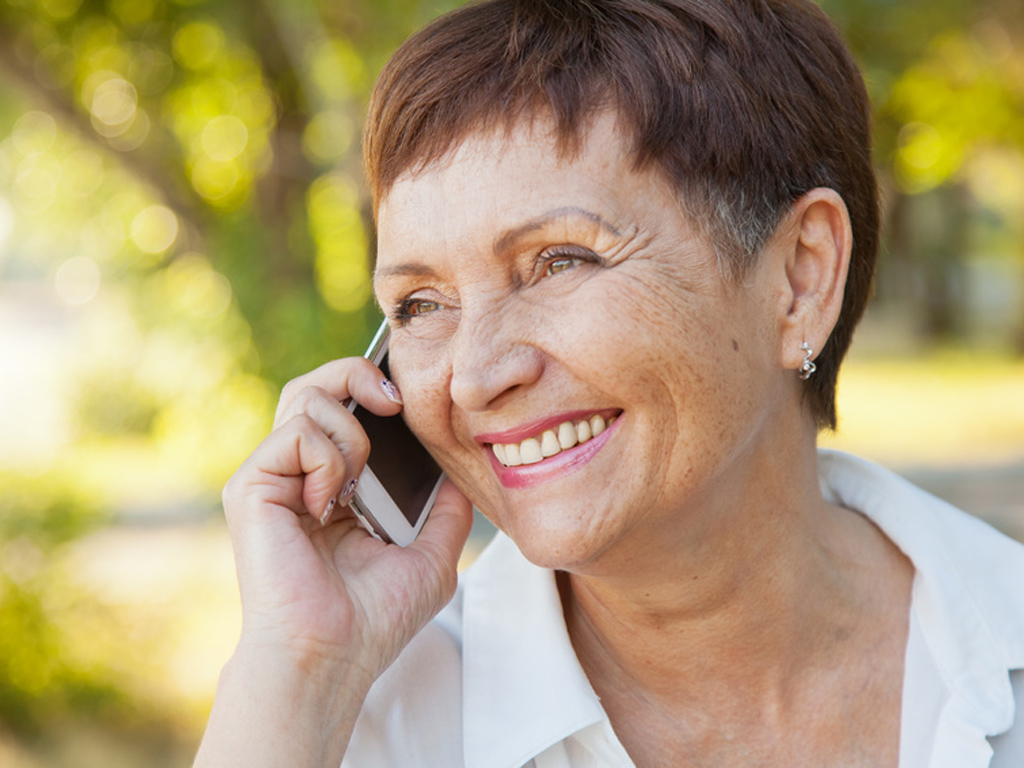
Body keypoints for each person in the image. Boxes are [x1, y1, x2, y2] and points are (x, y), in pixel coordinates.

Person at [194, 0, 1024, 765]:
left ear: (801, 277)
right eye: (419, 305)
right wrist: (299, 669)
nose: (477, 377)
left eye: (559, 261)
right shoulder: (351, 727)